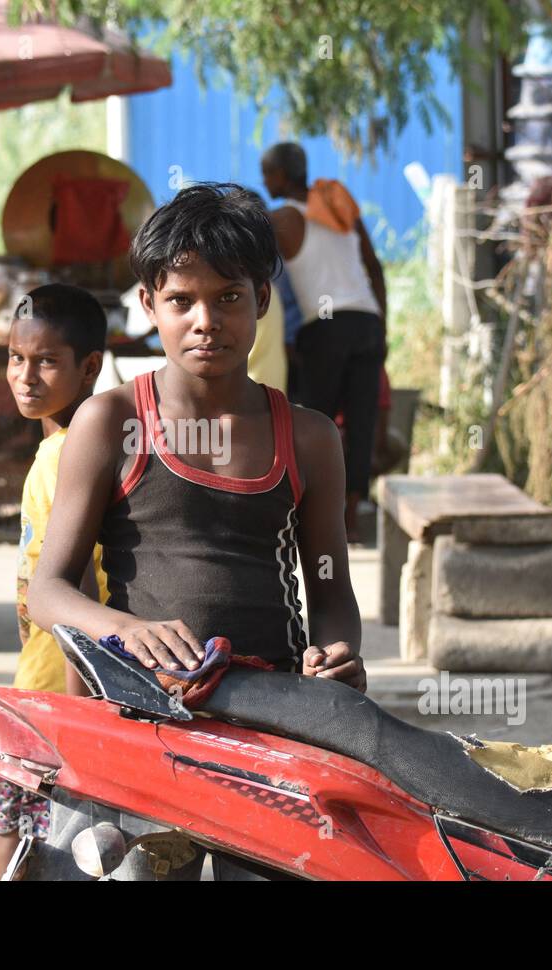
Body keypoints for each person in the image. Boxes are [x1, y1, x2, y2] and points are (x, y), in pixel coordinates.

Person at [26, 183, 363, 880]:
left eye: (228, 297)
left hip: (271, 724)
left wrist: (337, 656)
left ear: (263, 299)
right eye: (181, 301)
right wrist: (125, 629)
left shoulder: (307, 437)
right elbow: (48, 592)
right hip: (142, 719)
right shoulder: (111, 421)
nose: (205, 320)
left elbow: (329, 587)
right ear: (148, 306)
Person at [0, 282, 108, 880]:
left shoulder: (66, 456)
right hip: (46, 681)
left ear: (90, 368)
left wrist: (77, 723)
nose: (25, 376)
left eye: (47, 362)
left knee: (21, 837)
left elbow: (75, 592)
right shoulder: (67, 444)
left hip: (59, 694)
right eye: (15, 358)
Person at [261, 142, 387, 543]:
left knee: (316, 422)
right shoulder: (341, 208)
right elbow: (374, 266)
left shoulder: (283, 219)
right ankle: (349, 518)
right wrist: (383, 324)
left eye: (267, 174)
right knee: (361, 422)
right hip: (367, 320)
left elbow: (245, 253)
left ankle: (309, 517)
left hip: (327, 325)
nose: (264, 182)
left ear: (281, 175)